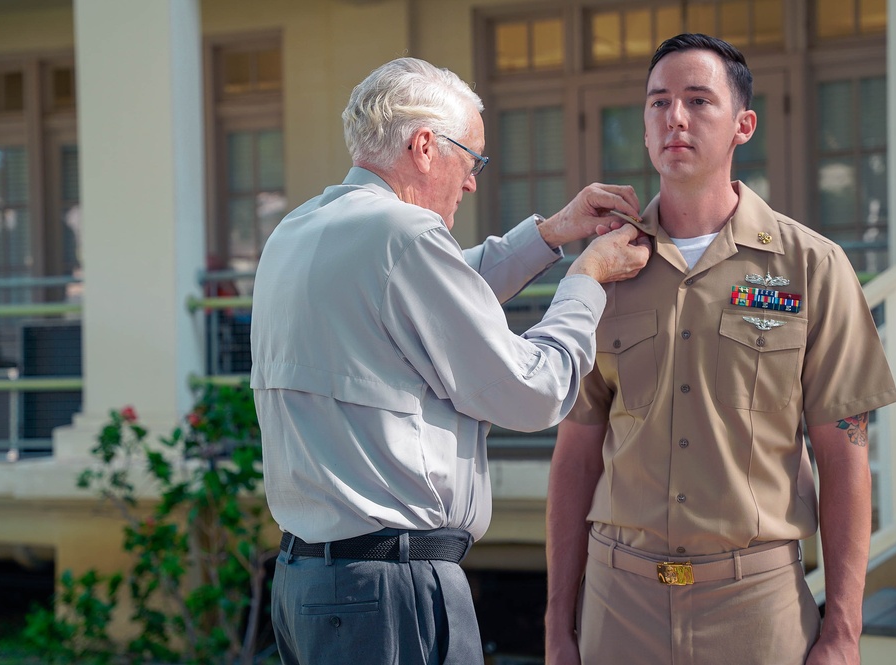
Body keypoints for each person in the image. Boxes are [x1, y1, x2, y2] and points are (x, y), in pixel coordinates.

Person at [250, 56, 652, 665]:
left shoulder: (299, 231)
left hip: (308, 581)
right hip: (392, 590)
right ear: (424, 146)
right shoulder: (403, 235)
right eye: (472, 160)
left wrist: (551, 233)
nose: (470, 182)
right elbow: (531, 391)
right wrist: (586, 280)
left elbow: (435, 299)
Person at [544, 34, 896, 665]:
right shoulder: (602, 269)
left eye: (697, 100)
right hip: (618, 604)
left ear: (744, 125)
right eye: (658, 103)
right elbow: (576, 455)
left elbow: (844, 455)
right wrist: (557, 624)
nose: (674, 117)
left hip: (757, 609)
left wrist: (843, 632)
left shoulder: (811, 267)